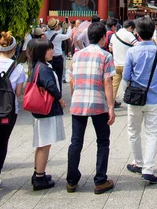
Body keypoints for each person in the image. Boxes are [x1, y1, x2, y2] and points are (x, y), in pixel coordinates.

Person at [66, 21, 116, 195]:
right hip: (98, 103)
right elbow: (107, 82)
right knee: (102, 141)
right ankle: (100, 180)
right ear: (103, 38)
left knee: (76, 141)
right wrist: (111, 106)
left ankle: (71, 180)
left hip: (78, 101)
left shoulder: (77, 55)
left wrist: (74, 97)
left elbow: (71, 80)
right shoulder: (105, 56)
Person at [123, 17, 157, 184]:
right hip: (153, 97)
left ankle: (138, 162)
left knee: (133, 131)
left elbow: (126, 76)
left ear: (137, 33)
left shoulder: (132, 51)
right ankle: (148, 169)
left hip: (135, 97)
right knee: (152, 133)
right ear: (153, 31)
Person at [0, 32, 26, 191]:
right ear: (14, 49)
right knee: (2, 142)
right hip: (9, 111)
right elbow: (18, 94)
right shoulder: (18, 68)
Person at [29, 39, 66, 191]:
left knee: (41, 143)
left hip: (41, 111)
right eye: (48, 50)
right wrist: (60, 99)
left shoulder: (38, 66)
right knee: (45, 144)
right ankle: (39, 177)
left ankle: (38, 172)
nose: (52, 52)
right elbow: (51, 86)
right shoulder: (43, 68)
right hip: (47, 110)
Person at [109, 19, 137, 108]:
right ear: (130, 28)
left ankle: (111, 104)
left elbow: (110, 48)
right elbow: (137, 47)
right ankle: (129, 103)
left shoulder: (114, 35)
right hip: (127, 64)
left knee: (114, 86)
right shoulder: (129, 35)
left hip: (116, 64)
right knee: (127, 85)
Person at [44, 18, 72, 94]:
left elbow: (55, 33)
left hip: (48, 57)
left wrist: (63, 28)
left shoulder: (46, 34)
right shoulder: (59, 36)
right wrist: (69, 27)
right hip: (58, 58)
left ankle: (50, 92)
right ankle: (58, 93)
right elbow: (68, 35)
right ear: (56, 26)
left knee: (50, 76)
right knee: (58, 77)